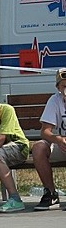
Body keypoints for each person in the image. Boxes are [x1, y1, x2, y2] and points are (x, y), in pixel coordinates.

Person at [31, 68, 66, 209]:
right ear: (58, 87)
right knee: (38, 147)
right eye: (64, 86)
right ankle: (50, 194)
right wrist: (58, 139)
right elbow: (45, 132)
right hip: (61, 144)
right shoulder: (54, 100)